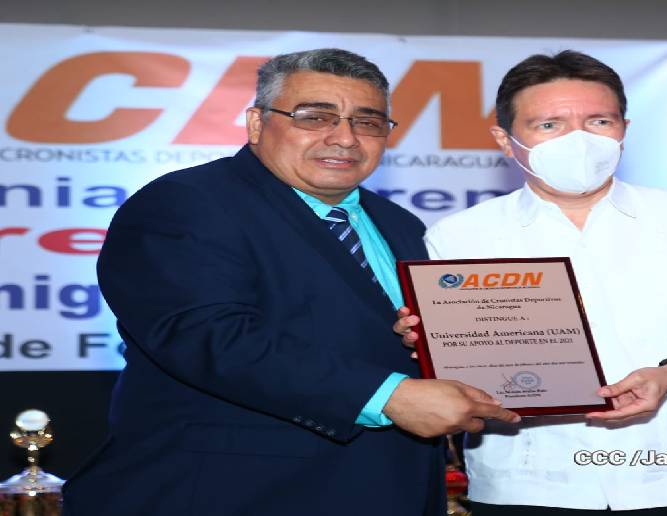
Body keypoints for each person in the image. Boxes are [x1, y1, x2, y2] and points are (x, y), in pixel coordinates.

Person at [61, 48, 520, 516]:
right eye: (315, 117)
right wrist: (388, 397)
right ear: (256, 123)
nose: (345, 138)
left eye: (367, 122)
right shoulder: (184, 203)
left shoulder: (400, 223)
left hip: (391, 490)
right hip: (236, 494)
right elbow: (210, 337)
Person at [396, 50, 667, 515]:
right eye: (549, 125)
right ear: (506, 140)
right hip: (528, 487)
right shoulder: (460, 236)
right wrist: (426, 344)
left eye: (599, 122)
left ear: (624, 130)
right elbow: (453, 363)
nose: (579, 140)